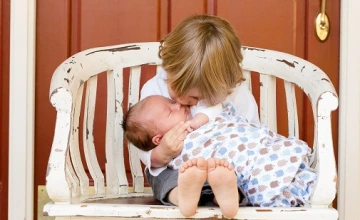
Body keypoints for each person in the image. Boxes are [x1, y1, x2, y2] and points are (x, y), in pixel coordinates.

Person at [135, 14, 260, 217]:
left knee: (239, 178)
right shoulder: (154, 89)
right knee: (159, 176)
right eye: (176, 90)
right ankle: (182, 195)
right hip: (180, 170)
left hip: (225, 167)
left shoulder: (237, 94)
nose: (183, 101)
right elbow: (143, 138)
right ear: (168, 67)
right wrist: (159, 154)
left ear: (224, 85)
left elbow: (253, 134)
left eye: (195, 97)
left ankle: (227, 195)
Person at [123, 95, 317, 214]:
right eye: (170, 111)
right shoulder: (154, 98)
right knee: (188, 169)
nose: (179, 105)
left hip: (250, 151)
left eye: (171, 102)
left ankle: (224, 193)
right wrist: (163, 152)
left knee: (223, 167)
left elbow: (226, 117)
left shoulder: (198, 111)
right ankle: (219, 194)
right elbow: (153, 160)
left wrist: (200, 120)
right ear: (158, 138)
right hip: (212, 166)